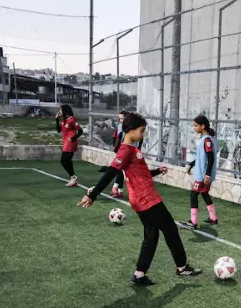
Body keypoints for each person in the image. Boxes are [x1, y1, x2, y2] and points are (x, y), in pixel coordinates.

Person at [78, 112, 202, 285]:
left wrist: (158, 171)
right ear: (130, 130)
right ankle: (182, 267)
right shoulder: (125, 150)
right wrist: (92, 194)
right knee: (170, 229)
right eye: (141, 131)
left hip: (141, 200)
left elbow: (141, 174)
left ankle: (139, 274)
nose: (143, 135)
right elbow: (112, 172)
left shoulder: (132, 149)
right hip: (147, 199)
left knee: (151, 235)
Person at [182, 114, 219, 229]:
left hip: (203, 175)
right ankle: (213, 217)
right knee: (203, 193)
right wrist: (191, 164)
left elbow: (210, 158)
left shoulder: (207, 140)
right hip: (203, 174)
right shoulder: (208, 138)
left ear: (203, 126)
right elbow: (201, 157)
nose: (194, 128)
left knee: (193, 195)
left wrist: (207, 174)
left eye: (196, 125)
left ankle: (193, 222)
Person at [56, 104, 83, 187]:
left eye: (60, 110)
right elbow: (58, 130)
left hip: (71, 143)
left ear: (65, 111)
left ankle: (73, 177)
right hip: (66, 143)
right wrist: (56, 120)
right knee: (66, 161)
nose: (59, 112)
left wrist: (73, 138)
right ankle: (73, 177)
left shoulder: (72, 120)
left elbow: (80, 131)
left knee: (64, 160)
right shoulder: (64, 120)